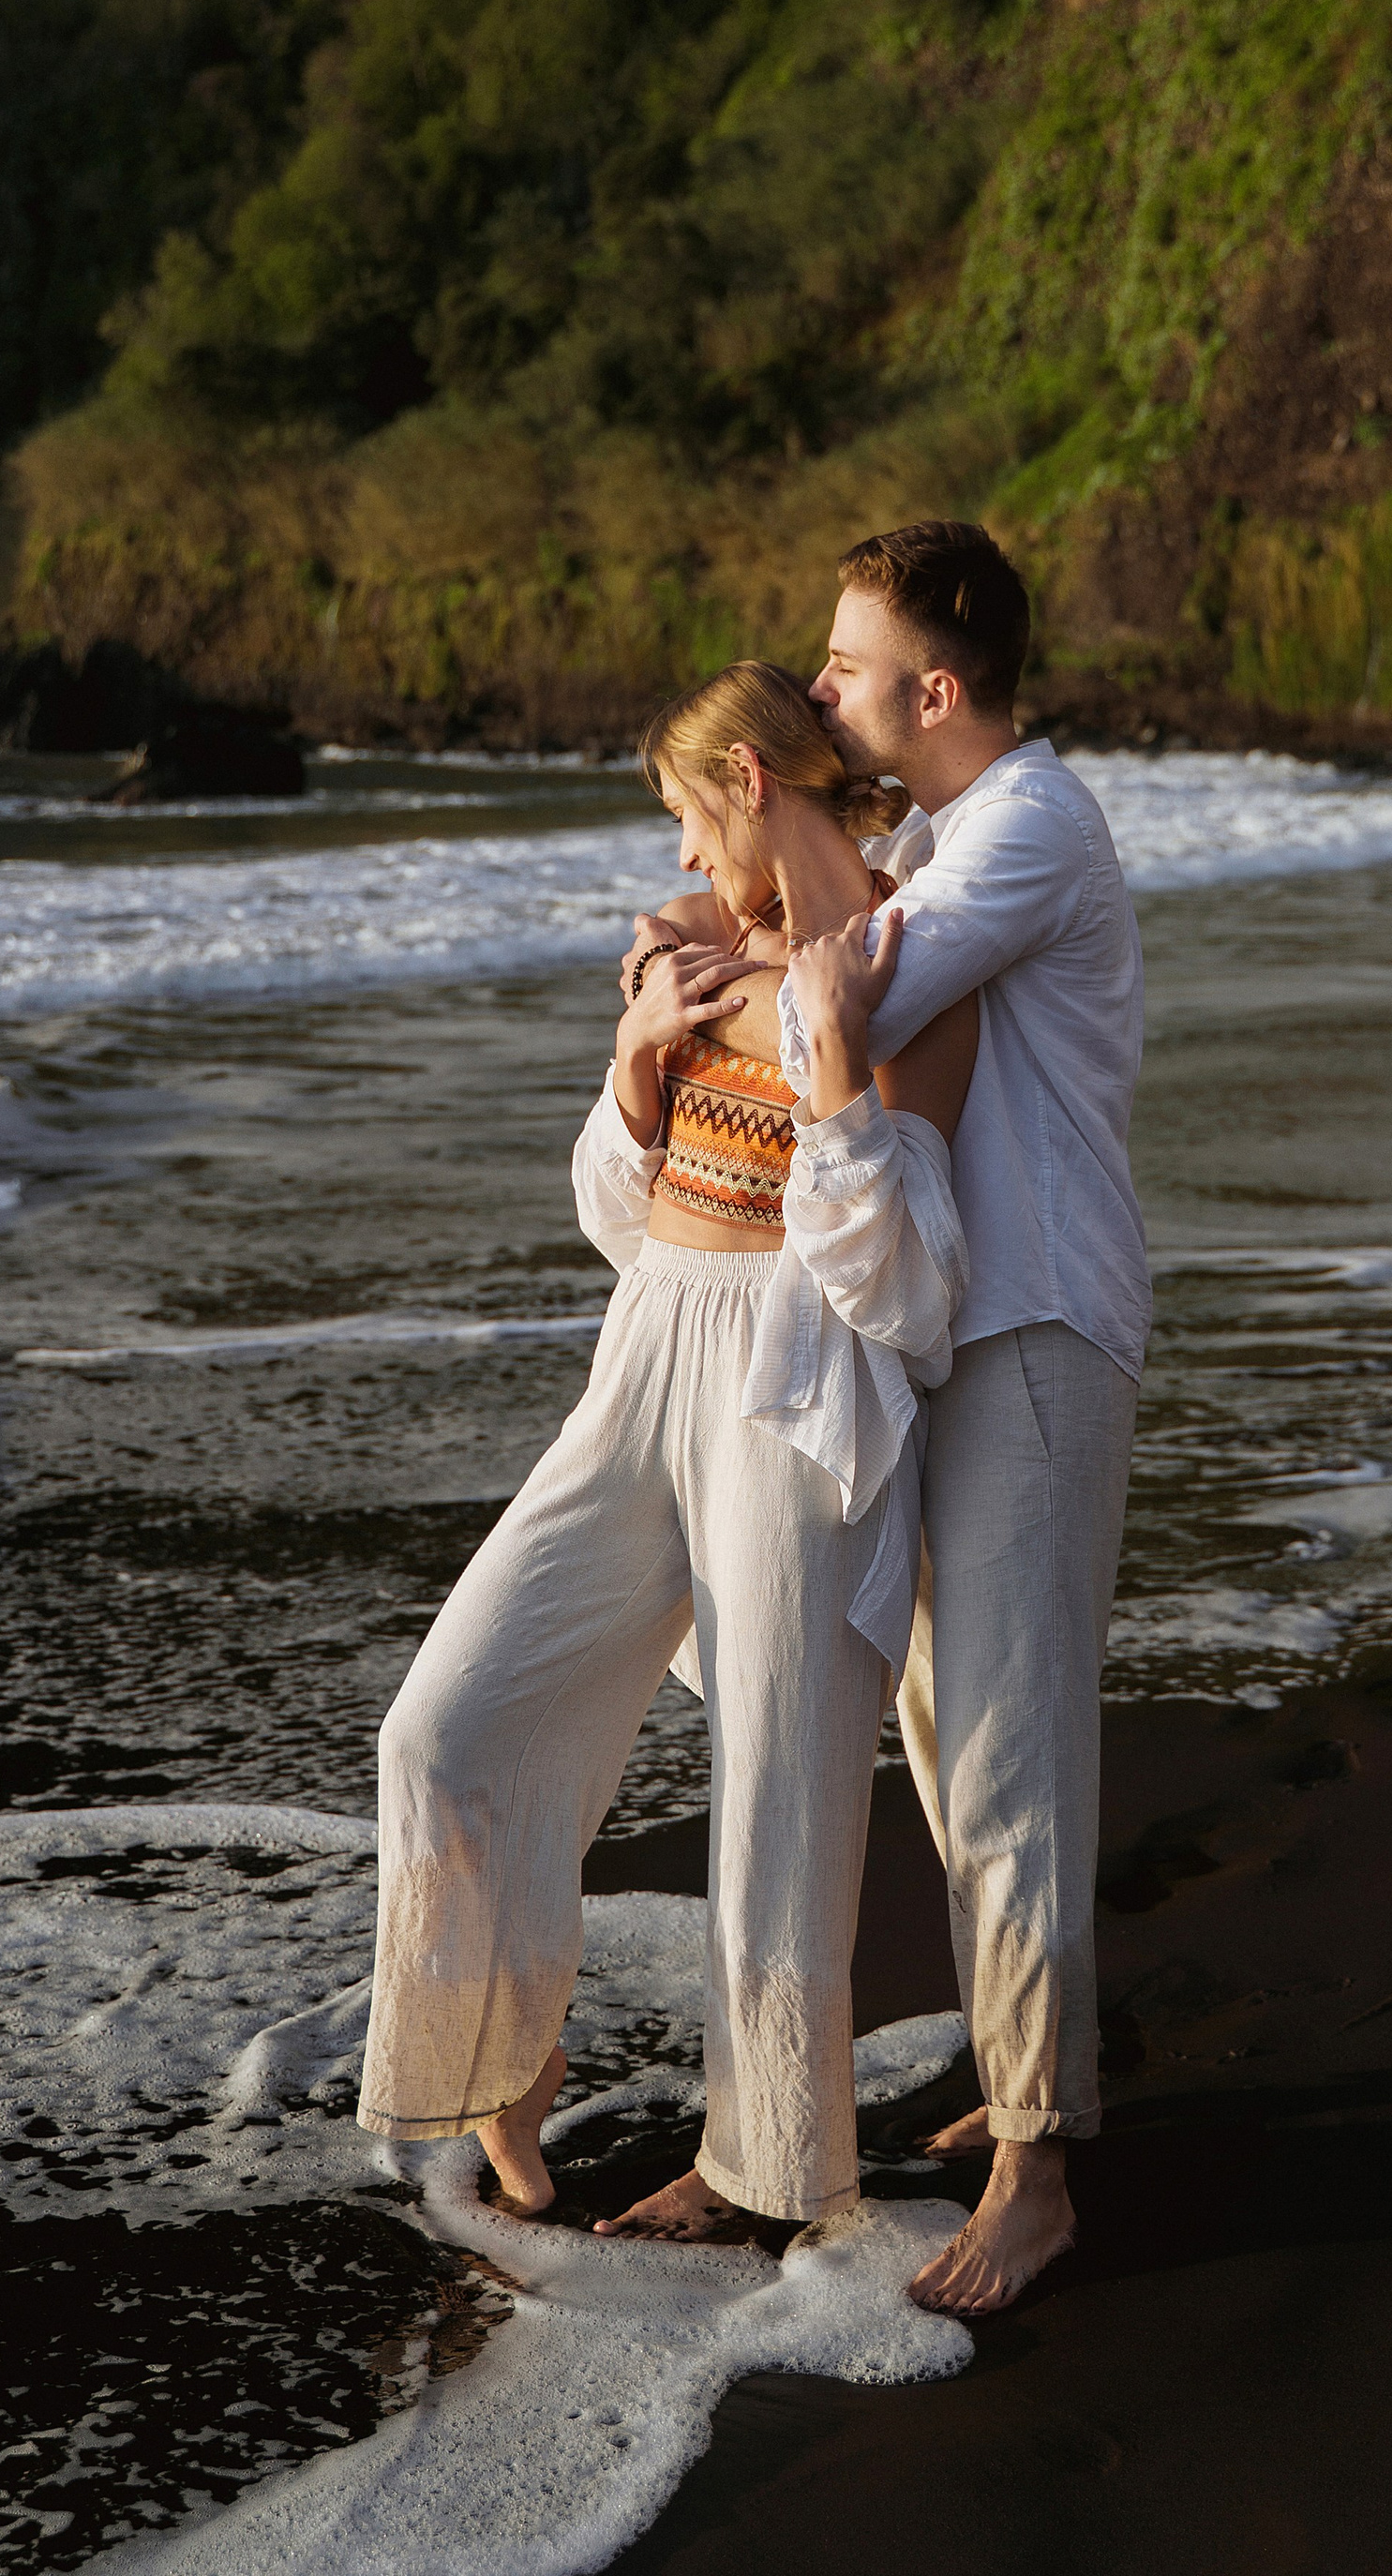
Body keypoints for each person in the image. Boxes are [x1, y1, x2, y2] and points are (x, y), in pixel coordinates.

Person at [357, 661, 980, 2243]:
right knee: (441, 1727)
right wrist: (639, 1060)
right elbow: (621, 1222)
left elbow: (903, 1286)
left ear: (757, 786)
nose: (688, 865)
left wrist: (831, 1060)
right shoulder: (705, 953)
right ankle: (506, 2037)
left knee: (779, 1787)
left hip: (795, 1381)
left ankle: (765, 2168)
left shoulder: (910, 974)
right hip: (645, 1364)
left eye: (696, 824)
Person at [799, 519, 1149, 2318]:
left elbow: (858, 1000)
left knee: (1008, 1742)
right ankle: (1027, 2085)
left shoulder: (1028, 823)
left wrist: (770, 886)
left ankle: (1038, 2170)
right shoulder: (937, 837)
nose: (822, 686)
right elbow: (835, 982)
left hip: (1036, 1318)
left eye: (847, 663)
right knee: (949, 1732)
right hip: (964, 1330)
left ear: (937, 688)